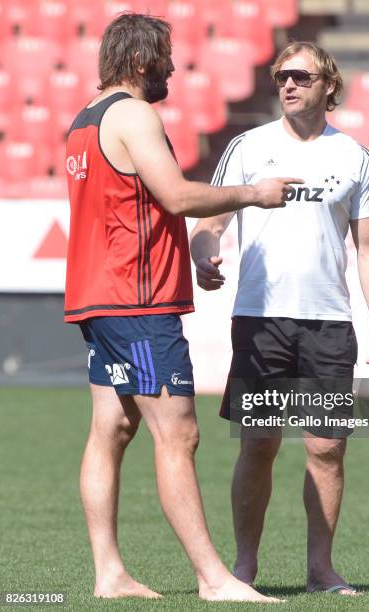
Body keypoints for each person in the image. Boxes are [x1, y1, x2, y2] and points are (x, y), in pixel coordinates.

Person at [64, 13, 301, 603]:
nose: (173, 67)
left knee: (112, 428)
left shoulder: (83, 121)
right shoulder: (135, 114)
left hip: (99, 298)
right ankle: (214, 578)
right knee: (179, 434)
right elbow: (176, 195)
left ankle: (110, 573)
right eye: (166, 57)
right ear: (143, 60)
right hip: (137, 301)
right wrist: (254, 193)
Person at [190, 41, 369, 596]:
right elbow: (209, 218)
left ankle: (321, 570)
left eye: (301, 75)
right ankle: (244, 568)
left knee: (327, 448)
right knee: (259, 443)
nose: (288, 84)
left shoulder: (354, 156)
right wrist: (203, 254)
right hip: (260, 323)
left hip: (328, 325)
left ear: (329, 84)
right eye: (281, 75)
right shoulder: (247, 147)